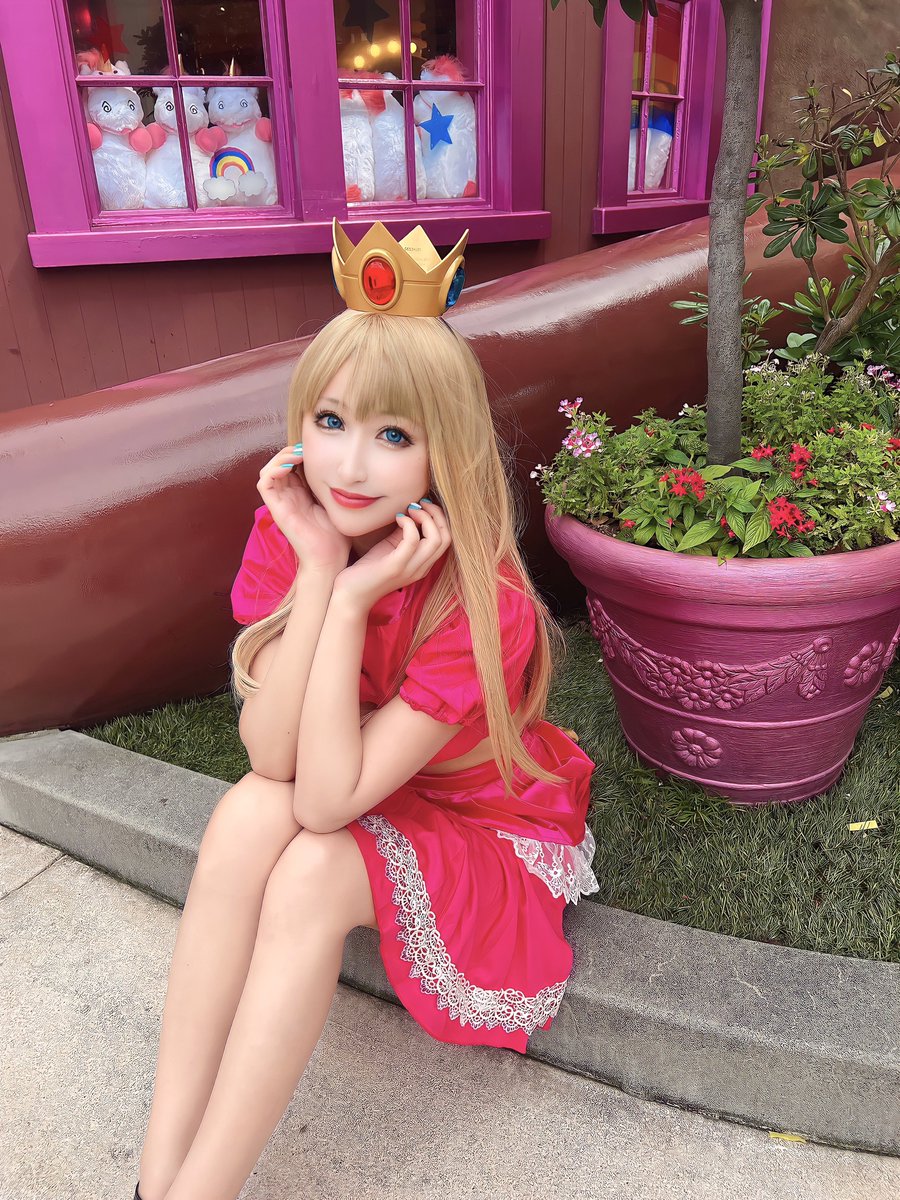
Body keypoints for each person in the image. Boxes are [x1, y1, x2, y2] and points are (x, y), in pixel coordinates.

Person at [134, 219, 599, 1200]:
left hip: (479, 823)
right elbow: (273, 760)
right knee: (244, 814)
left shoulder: (485, 604)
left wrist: (348, 604)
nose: (347, 467)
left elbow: (322, 806)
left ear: (443, 456)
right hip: (354, 778)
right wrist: (317, 572)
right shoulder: (295, 529)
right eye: (331, 421)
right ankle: (158, 1177)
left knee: (307, 871)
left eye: (393, 436)